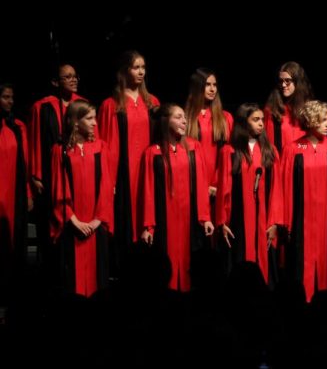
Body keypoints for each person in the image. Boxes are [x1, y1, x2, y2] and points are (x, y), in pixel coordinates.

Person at [276, 100, 327, 301]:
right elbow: (285, 186)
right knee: (302, 265)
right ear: (310, 121)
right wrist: (287, 220)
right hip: (302, 218)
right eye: (322, 120)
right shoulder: (293, 149)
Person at [139, 104, 215, 291]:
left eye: (184, 117)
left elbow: (201, 182)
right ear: (166, 121)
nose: (184, 121)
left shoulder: (193, 147)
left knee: (191, 270)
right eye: (178, 117)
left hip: (189, 220)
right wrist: (148, 226)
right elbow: (147, 191)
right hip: (165, 220)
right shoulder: (152, 152)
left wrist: (205, 217)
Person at [98, 50, 159, 262]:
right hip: (124, 172)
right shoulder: (111, 104)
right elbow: (107, 145)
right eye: (136, 67)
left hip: (148, 169)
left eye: (143, 67)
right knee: (125, 214)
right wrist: (110, 179)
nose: (141, 72)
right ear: (125, 71)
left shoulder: (152, 102)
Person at [50, 99, 113, 297]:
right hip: (72, 226)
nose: (95, 123)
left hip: (96, 226)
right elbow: (58, 188)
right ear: (76, 122)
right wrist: (74, 220)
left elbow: (106, 186)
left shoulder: (100, 147)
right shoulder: (61, 151)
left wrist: (96, 221)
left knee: (98, 283)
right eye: (90, 118)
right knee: (72, 285)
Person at [27, 63, 85, 271]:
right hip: (52, 175)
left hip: (78, 172)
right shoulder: (42, 107)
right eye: (67, 77)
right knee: (52, 225)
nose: (73, 80)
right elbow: (34, 143)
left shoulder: (83, 105)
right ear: (55, 82)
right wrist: (35, 176)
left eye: (75, 76)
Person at [217, 103, 280, 286]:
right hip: (238, 221)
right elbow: (224, 190)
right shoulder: (229, 151)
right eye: (256, 120)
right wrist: (223, 221)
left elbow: (277, 189)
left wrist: (274, 221)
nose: (261, 123)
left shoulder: (270, 151)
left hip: (264, 221)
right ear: (244, 123)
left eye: (262, 119)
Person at [185, 67, 233, 219]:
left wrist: (216, 183)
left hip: (218, 185)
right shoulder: (186, 118)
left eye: (215, 85)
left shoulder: (225, 118)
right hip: (192, 184)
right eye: (207, 85)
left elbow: (228, 155)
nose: (212, 89)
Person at [0, 82, 29, 296]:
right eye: (5, 97)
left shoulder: (18, 126)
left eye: (12, 97)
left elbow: (25, 162)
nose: (10, 102)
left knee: (13, 240)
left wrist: (28, 192)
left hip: (14, 192)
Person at [264, 61, 313, 153]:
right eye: (281, 81)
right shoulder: (272, 109)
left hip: (302, 159)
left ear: (297, 82)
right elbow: (268, 141)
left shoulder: (308, 108)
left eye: (288, 81)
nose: (283, 85)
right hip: (280, 160)